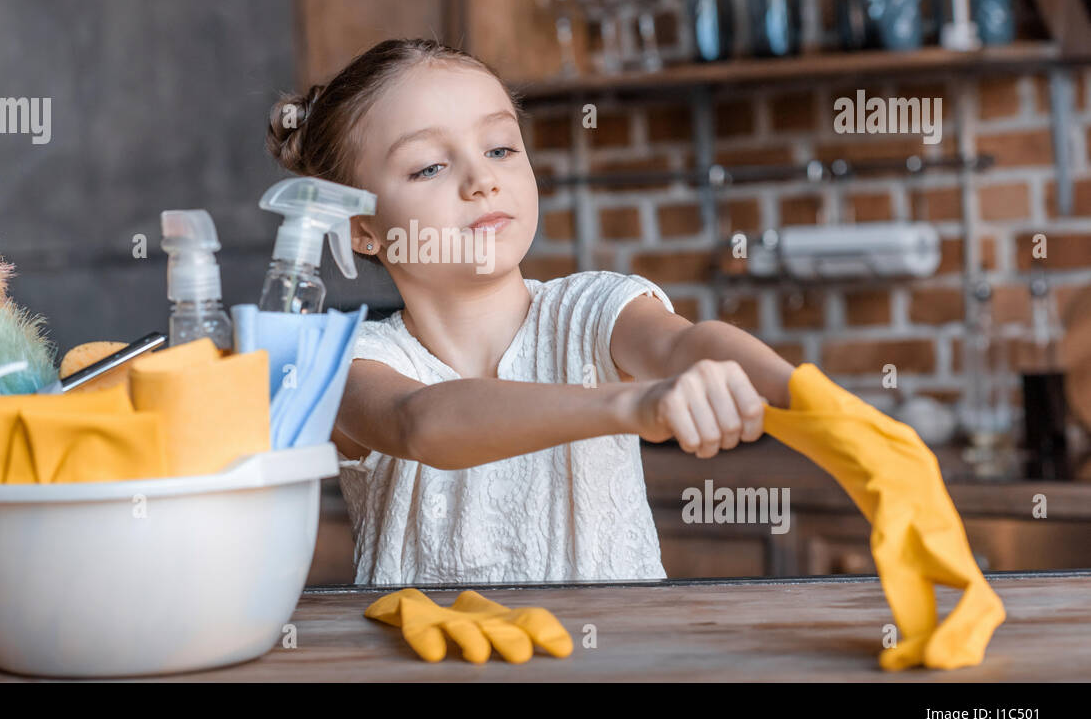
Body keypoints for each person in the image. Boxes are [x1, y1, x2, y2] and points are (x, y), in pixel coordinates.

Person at [266, 38, 796, 586]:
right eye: (429, 168)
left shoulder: (592, 311)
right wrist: (634, 405)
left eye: (499, 149)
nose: (482, 181)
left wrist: (805, 395)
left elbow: (685, 346)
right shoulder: (353, 365)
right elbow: (419, 422)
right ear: (362, 229)